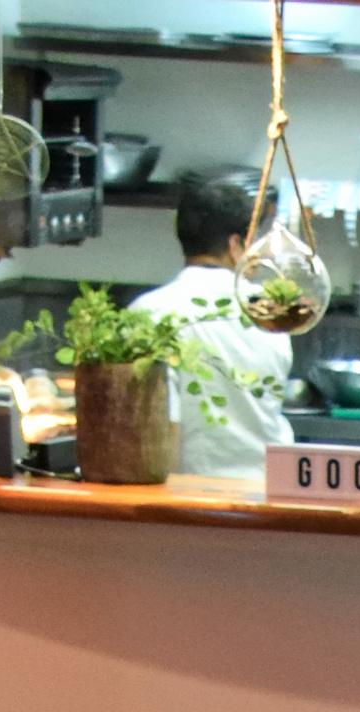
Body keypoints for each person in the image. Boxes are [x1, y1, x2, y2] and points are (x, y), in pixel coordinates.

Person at [130, 171, 295, 485]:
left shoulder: (149, 314)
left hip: (193, 499)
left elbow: (164, 432)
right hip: (270, 492)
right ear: (236, 245)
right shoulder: (269, 316)